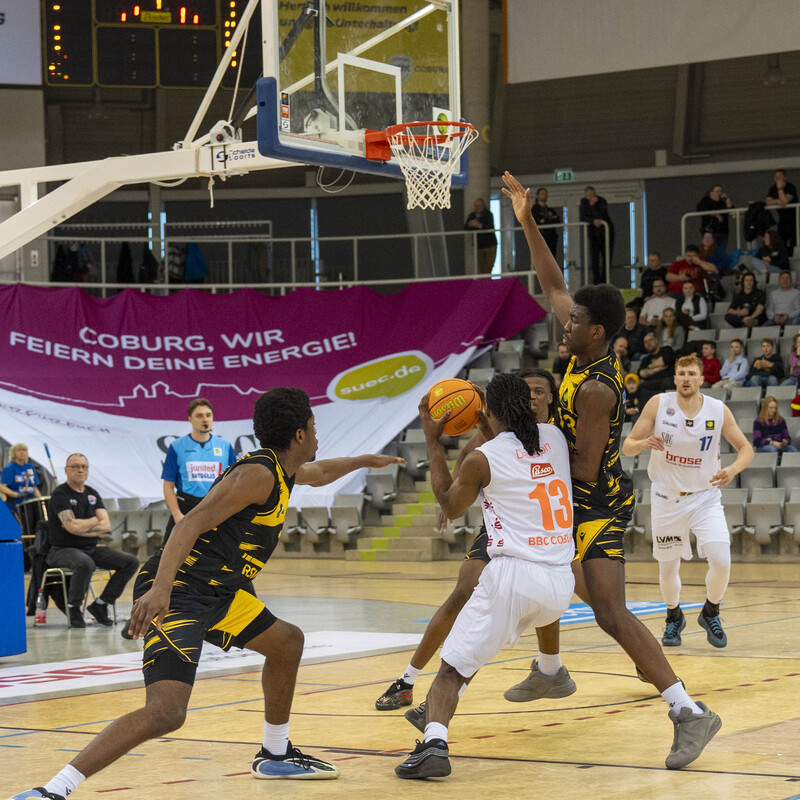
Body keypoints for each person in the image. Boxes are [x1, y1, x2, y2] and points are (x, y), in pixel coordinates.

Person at [11, 390, 407, 800]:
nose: (316, 433)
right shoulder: (257, 474)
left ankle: (275, 754)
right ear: (299, 434)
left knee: (287, 642)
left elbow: (320, 472)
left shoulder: (283, 469)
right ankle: (51, 790)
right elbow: (189, 523)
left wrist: (365, 460)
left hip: (218, 592)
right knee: (166, 712)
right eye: (313, 426)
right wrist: (160, 589)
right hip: (180, 590)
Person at [501, 171, 720, 771]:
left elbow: (586, 466)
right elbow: (552, 282)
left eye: (573, 322)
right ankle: (552, 669)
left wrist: (524, 457)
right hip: (577, 494)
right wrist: (527, 221)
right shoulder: (582, 346)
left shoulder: (597, 388)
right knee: (546, 571)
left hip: (597, 500)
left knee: (609, 611)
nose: (563, 324)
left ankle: (687, 711)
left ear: (595, 331)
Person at [394, 374, 575, 780]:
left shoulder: (482, 458)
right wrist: (488, 419)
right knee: (471, 654)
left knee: (450, 671)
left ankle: (434, 745)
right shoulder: (555, 437)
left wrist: (432, 441)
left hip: (514, 579)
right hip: (560, 584)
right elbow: (517, 450)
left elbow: (450, 505)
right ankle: (550, 668)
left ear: (488, 410)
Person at [622, 355, 753, 650]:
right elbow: (628, 446)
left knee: (721, 560)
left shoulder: (717, 409)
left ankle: (710, 612)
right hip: (667, 498)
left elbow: (746, 447)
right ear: (674, 378)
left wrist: (733, 469)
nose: (685, 378)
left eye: (691, 374)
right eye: (681, 373)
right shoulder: (659, 404)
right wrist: (643, 443)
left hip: (705, 497)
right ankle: (674, 616)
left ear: (701, 379)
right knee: (668, 568)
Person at [44, 454, 140, 629]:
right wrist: (95, 521)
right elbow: (72, 527)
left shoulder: (92, 493)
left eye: (84, 466)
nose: (80, 470)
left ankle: (101, 604)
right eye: (75, 466)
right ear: (66, 470)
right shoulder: (60, 494)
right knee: (86, 563)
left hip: (90, 547)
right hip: (62, 549)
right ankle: (74, 608)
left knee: (131, 562)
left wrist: (83, 526)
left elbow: (106, 525)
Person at [161, 398, 236, 544]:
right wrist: (177, 515)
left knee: (217, 554)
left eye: (208, 415)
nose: (205, 419)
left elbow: (233, 483)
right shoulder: (177, 446)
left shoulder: (225, 446)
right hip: (186, 507)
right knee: (168, 553)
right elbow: (168, 485)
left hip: (215, 506)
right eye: (199, 415)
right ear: (190, 419)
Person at [579, 185, 614, 284]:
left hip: (606, 233)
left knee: (606, 258)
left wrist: (593, 205)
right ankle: (596, 281)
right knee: (594, 258)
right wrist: (592, 221)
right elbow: (583, 216)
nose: (592, 197)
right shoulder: (584, 202)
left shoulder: (602, 201)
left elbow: (601, 215)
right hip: (594, 234)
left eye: (593, 194)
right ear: (586, 196)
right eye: (589, 195)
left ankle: (605, 281)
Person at [0, 443, 42, 515]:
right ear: (13, 453)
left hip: (30, 502)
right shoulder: (10, 468)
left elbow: (34, 487)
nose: (22, 452)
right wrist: (16, 494)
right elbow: (2, 487)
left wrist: (40, 500)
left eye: (24, 450)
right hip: (15, 504)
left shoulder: (29, 467)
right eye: (19, 450)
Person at [638, 331, 677, 404]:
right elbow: (641, 373)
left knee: (666, 383)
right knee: (641, 387)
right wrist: (657, 369)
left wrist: (649, 367)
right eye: (646, 342)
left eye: (650, 340)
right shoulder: (645, 359)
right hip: (652, 383)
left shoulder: (666, 349)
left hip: (667, 379)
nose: (648, 343)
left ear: (656, 340)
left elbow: (666, 359)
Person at [765, 169, 798, 248]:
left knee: (795, 243)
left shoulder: (790, 187)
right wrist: (777, 201)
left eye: (780, 176)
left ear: (785, 177)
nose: (777, 178)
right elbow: (768, 202)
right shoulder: (773, 188)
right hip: (782, 221)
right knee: (781, 243)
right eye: (775, 176)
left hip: (794, 221)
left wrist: (780, 189)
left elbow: (785, 201)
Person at [464, 198, 497, 275]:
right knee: (481, 268)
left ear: (483, 206)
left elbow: (490, 226)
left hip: (490, 245)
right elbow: (465, 227)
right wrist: (470, 224)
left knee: (489, 266)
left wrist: (479, 225)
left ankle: (488, 280)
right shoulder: (472, 215)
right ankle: (482, 281)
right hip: (479, 246)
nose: (477, 207)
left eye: (479, 205)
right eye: (476, 205)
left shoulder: (488, 214)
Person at [697, 184, 733, 250]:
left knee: (721, 250)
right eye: (717, 192)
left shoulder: (722, 202)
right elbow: (700, 209)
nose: (719, 193)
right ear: (711, 192)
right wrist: (714, 214)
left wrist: (728, 203)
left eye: (720, 191)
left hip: (723, 231)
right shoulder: (705, 201)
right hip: (710, 231)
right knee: (710, 250)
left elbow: (731, 211)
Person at [531, 188, 561, 258]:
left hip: (552, 237)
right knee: (542, 258)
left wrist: (545, 220)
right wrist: (550, 219)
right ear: (537, 196)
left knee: (552, 257)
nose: (544, 195)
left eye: (545, 194)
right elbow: (537, 222)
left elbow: (558, 219)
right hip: (541, 237)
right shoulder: (534, 209)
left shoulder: (549, 209)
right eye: (542, 194)